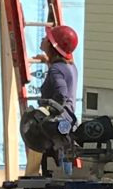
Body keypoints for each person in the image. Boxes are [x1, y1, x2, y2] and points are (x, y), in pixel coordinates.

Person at [32, 25, 81, 173]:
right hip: (67, 123)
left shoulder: (56, 69)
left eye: (48, 38)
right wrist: (48, 62)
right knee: (64, 165)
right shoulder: (69, 67)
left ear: (53, 46)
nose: (44, 39)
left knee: (52, 167)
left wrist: (45, 108)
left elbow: (61, 95)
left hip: (56, 127)